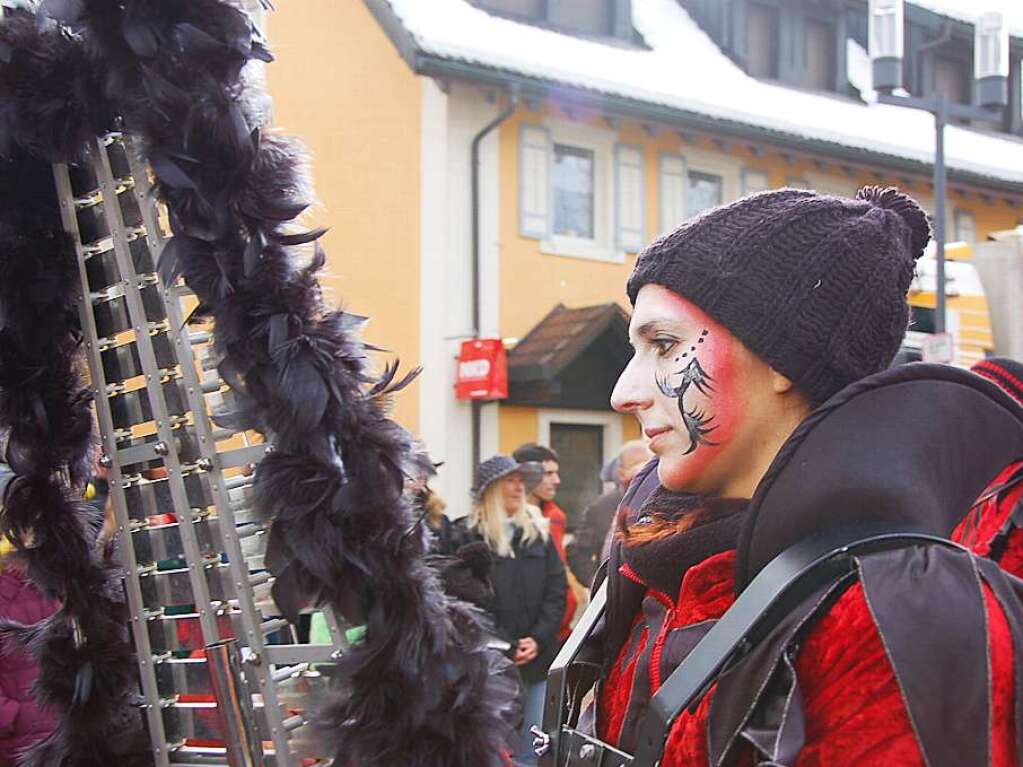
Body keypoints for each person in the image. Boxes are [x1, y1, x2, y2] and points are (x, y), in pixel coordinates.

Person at [549, 187, 1023, 766]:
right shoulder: (646, 558)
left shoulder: (894, 613)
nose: (624, 392)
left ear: (780, 359)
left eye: (664, 344)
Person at [466, 455, 566, 766]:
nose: (519, 486)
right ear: (491, 489)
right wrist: (506, 644)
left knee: (535, 748)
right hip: (489, 665)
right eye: (511, 480)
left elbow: (556, 590)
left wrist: (537, 638)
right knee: (490, 748)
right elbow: (466, 601)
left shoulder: (536, 534)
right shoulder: (469, 537)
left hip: (538, 661)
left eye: (522, 480)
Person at [511, 444, 578, 641]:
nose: (556, 481)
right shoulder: (508, 521)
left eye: (556, 473)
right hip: (526, 635)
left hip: (557, 631)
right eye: (548, 473)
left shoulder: (555, 517)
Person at [569, 440, 652, 586]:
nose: (642, 474)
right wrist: (596, 583)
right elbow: (576, 553)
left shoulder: (662, 500)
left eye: (647, 467)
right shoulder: (602, 508)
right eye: (636, 469)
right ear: (621, 473)